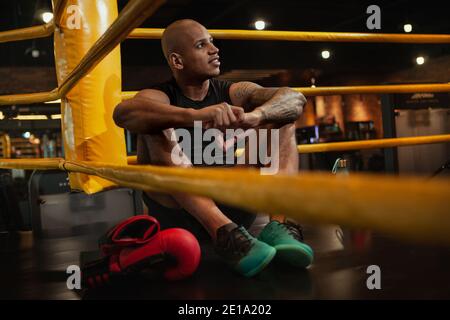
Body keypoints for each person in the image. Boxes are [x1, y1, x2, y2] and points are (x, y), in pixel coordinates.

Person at [113, 19, 313, 277]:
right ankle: (223, 234)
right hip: (179, 210)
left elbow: (294, 99)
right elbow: (124, 113)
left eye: (212, 42)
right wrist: (195, 115)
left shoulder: (234, 92)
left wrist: (257, 116)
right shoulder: (160, 95)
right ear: (177, 61)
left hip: (235, 206)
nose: (214, 49)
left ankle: (278, 226)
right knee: (153, 127)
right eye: (201, 44)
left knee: (281, 117)